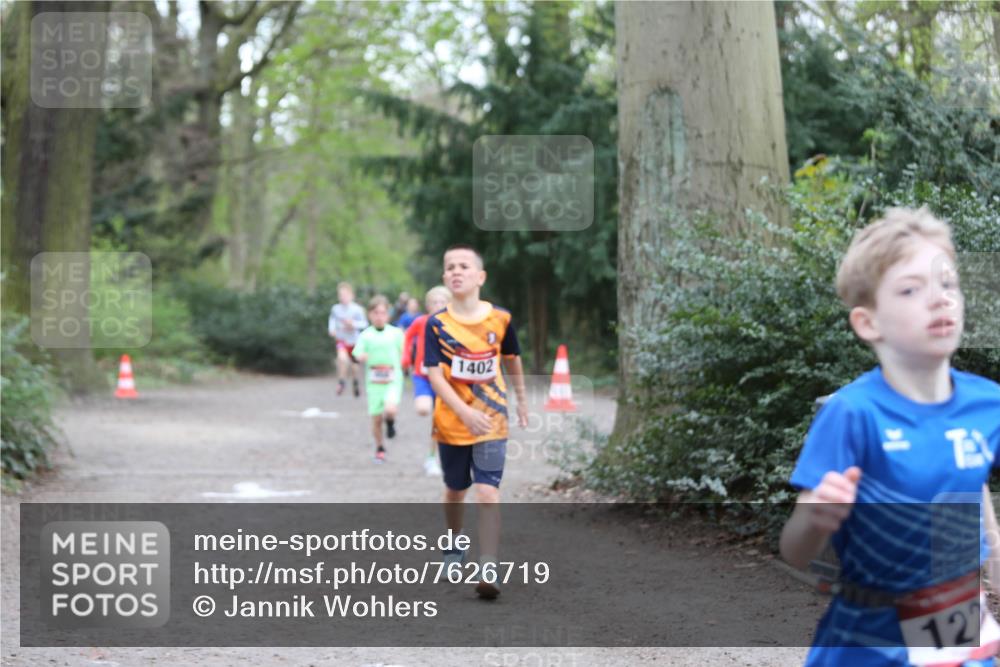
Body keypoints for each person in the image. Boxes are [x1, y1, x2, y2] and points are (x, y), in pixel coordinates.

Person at [779, 207, 1000, 666]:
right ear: (868, 323)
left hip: (958, 629)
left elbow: (965, 479)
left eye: (948, 284)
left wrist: (994, 558)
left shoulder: (987, 404)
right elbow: (794, 551)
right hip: (867, 640)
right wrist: (817, 518)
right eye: (910, 289)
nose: (939, 299)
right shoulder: (852, 413)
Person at [424, 245, 528, 599]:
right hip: (452, 422)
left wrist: (523, 401)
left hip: (491, 420)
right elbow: (435, 376)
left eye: (464, 266)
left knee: (487, 490)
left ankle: (488, 565)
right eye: (450, 266)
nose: (456, 271)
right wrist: (464, 412)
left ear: (480, 277)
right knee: (456, 489)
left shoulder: (500, 319)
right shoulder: (437, 324)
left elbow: (513, 359)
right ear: (444, 278)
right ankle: (454, 547)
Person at [402, 286, 451, 476]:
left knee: (438, 419)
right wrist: (405, 359)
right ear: (428, 305)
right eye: (434, 302)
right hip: (422, 376)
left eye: (442, 302)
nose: (438, 306)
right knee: (423, 409)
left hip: (445, 379)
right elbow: (406, 338)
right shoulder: (420, 321)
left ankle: (432, 458)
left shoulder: (453, 324)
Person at [352, 295, 405, 463]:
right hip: (374, 383)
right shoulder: (366, 335)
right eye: (376, 313)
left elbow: (405, 353)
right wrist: (361, 357)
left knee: (390, 410)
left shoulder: (396, 333)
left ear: (388, 315)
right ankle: (380, 448)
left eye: (383, 313)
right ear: (370, 315)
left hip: (393, 379)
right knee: (376, 419)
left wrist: (406, 365)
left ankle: (390, 423)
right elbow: (356, 353)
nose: (379, 316)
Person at [328, 282, 368, 398]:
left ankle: (355, 382)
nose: (343, 297)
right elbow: (332, 320)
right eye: (341, 295)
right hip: (342, 340)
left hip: (355, 341)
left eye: (345, 295)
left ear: (352, 296)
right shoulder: (335, 309)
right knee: (342, 359)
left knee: (355, 366)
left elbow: (364, 324)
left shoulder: (357, 309)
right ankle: (342, 382)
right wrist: (332, 329)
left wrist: (353, 324)